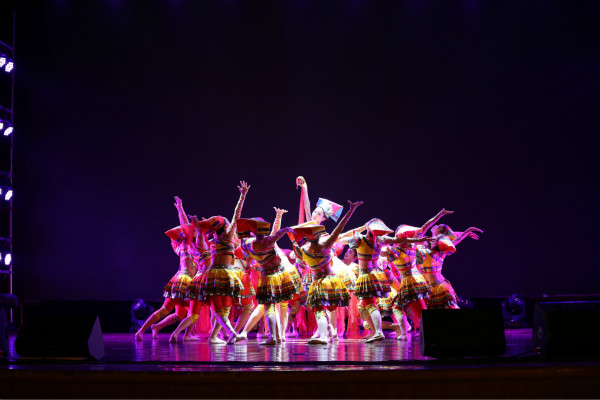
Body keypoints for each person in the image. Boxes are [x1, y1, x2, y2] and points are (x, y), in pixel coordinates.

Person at [170, 181, 250, 344]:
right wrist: (242, 195)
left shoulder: (209, 241)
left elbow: (187, 228)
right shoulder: (227, 236)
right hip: (225, 274)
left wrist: (192, 221)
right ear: (226, 226)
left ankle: (227, 334)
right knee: (222, 309)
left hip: (212, 275)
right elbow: (237, 215)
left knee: (218, 309)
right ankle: (228, 333)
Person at [291, 200, 363, 345]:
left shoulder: (307, 247)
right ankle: (330, 330)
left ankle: (325, 334)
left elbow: (341, 232)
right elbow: (339, 228)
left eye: (319, 213)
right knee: (326, 306)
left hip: (322, 278)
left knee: (320, 307)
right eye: (315, 212)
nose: (314, 214)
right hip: (328, 278)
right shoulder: (322, 244)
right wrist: (351, 211)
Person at [134, 196, 196, 340]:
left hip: (184, 281)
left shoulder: (195, 247)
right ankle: (141, 331)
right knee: (190, 311)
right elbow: (184, 224)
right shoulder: (185, 245)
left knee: (179, 315)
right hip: (183, 280)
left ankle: (155, 327)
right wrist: (180, 208)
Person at [417, 224, 483, 309]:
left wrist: (418, 242)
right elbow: (455, 240)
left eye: (433, 239)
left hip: (438, 287)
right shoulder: (435, 252)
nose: (431, 239)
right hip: (431, 287)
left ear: (438, 243)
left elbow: (454, 241)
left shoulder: (432, 253)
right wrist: (466, 232)